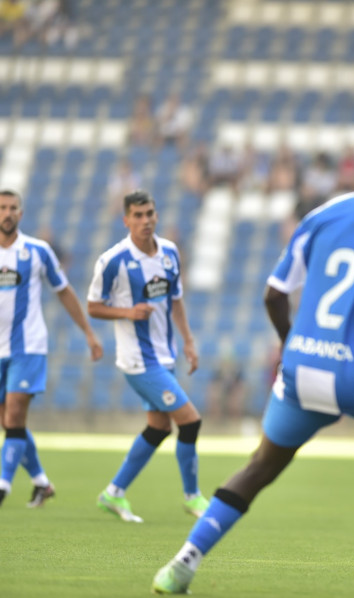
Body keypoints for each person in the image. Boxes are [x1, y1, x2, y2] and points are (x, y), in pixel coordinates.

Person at [151, 131, 354, 597]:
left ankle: (181, 564)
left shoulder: (321, 215)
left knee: (261, 465)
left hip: (303, 369)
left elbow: (273, 295)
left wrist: (292, 344)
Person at [87, 190, 208, 523]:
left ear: (157, 215)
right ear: (125, 220)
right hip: (138, 361)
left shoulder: (169, 252)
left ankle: (113, 493)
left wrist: (188, 341)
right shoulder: (113, 261)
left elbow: (176, 299)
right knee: (190, 420)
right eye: (137, 215)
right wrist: (127, 312)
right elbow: (93, 307)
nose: (145, 221)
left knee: (158, 428)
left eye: (149, 214)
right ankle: (193, 497)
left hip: (163, 355)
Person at [0, 189, 103, 508]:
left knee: (15, 411)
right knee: (8, 421)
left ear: (22, 213)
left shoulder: (38, 251)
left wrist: (88, 332)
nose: (7, 212)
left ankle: (2, 483)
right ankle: (42, 483)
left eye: (13, 207)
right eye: (2, 207)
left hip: (28, 345)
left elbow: (64, 291)